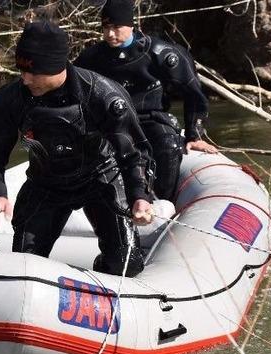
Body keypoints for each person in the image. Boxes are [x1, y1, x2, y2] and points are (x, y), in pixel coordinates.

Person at [0, 21, 154, 277]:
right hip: (45, 183)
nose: (25, 79)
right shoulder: (10, 98)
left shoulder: (103, 95)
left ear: (56, 67)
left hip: (100, 178)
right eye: (20, 70)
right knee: (23, 265)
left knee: (126, 264)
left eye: (33, 72)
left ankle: (104, 272)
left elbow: (134, 153)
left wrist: (140, 196)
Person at [74, 0, 218, 202]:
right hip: (112, 122)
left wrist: (194, 134)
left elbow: (193, 93)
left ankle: (163, 203)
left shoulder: (161, 53)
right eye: (105, 28)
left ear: (131, 25)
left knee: (168, 145)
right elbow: (73, 95)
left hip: (152, 118)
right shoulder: (92, 58)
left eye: (116, 27)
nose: (110, 34)